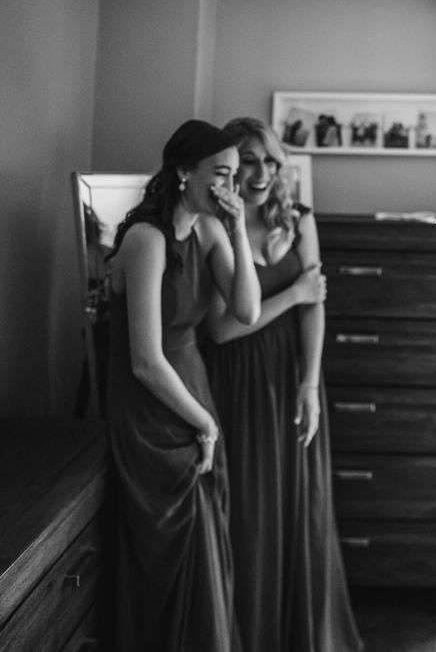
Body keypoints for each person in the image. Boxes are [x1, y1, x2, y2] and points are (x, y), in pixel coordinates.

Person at [201, 116, 363, 652]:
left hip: (290, 376)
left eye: (271, 160)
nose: (262, 171)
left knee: (299, 505)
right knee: (249, 509)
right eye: (250, 160)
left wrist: (309, 386)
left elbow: (317, 305)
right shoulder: (215, 225)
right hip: (236, 380)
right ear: (229, 166)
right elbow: (223, 327)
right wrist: (292, 295)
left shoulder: (297, 218)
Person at [105, 118, 261, 652]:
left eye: (234, 177)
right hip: (153, 405)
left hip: (192, 384)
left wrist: (238, 229)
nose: (230, 188)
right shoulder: (145, 240)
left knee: (208, 540)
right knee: (172, 543)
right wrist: (205, 423)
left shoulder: (211, 231)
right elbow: (145, 361)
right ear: (182, 173)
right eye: (221, 174)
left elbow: (246, 309)